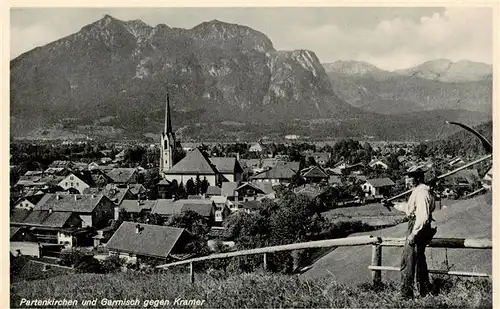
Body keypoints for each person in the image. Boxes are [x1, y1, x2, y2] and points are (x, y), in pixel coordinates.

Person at [399, 167, 437, 299]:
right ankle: (425, 291)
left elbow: (422, 216)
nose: (407, 180)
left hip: (418, 227)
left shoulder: (422, 193)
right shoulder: (420, 191)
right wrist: (393, 204)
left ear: (418, 178)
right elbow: (410, 209)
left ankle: (406, 295)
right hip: (418, 226)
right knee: (419, 259)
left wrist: (413, 234)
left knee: (408, 261)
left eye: (410, 177)